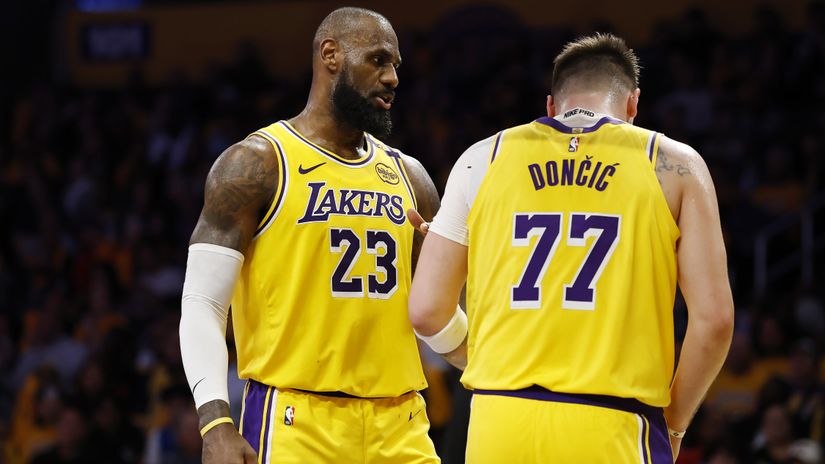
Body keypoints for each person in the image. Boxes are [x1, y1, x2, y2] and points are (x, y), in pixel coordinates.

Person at [408, 33, 734, 463]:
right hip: (616, 426)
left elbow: (427, 311)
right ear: (632, 104)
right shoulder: (674, 164)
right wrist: (673, 424)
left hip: (498, 422)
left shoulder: (481, 158)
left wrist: (479, 358)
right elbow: (714, 322)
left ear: (550, 106)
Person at [179, 7, 440, 464]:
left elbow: (436, 312)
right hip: (295, 422)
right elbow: (203, 302)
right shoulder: (257, 162)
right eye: (379, 60)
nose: (393, 77)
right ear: (330, 54)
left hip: (402, 423)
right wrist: (215, 421)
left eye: (396, 65)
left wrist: (485, 362)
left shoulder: (411, 177)